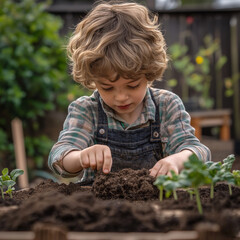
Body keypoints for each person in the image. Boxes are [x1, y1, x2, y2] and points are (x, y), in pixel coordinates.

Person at [48, 1, 211, 184]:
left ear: (148, 73)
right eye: (107, 88)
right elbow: (59, 159)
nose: (121, 97)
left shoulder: (166, 105)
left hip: (155, 203)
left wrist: (177, 159)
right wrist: (80, 157)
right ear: (94, 80)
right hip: (99, 207)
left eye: (132, 85)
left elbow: (198, 151)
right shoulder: (87, 110)